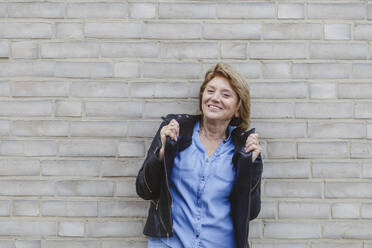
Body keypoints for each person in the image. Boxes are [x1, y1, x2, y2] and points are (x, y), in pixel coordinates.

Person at [136, 63, 263, 248]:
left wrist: (250, 169)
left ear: (238, 108)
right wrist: (162, 153)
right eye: (210, 91)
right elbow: (144, 189)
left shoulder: (244, 149)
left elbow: (250, 212)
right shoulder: (175, 131)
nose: (215, 98)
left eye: (226, 95)